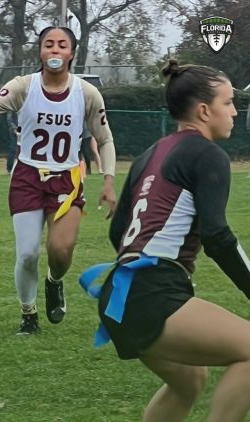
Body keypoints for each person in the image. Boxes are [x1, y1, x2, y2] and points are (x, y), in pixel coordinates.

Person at [81, 60, 250, 421]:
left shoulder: (150, 154)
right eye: (228, 102)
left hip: (119, 294)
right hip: (150, 294)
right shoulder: (208, 155)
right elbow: (217, 235)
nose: (234, 111)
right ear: (204, 111)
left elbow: (118, 232)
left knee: (189, 381)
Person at [0, 26, 117, 335]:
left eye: (62, 45)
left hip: (67, 180)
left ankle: (55, 283)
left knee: (61, 250)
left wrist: (108, 181)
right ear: (40, 51)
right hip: (28, 177)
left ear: (71, 53)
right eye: (49, 45)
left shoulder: (86, 93)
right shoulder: (25, 85)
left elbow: (104, 140)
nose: (55, 51)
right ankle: (29, 315)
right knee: (27, 253)